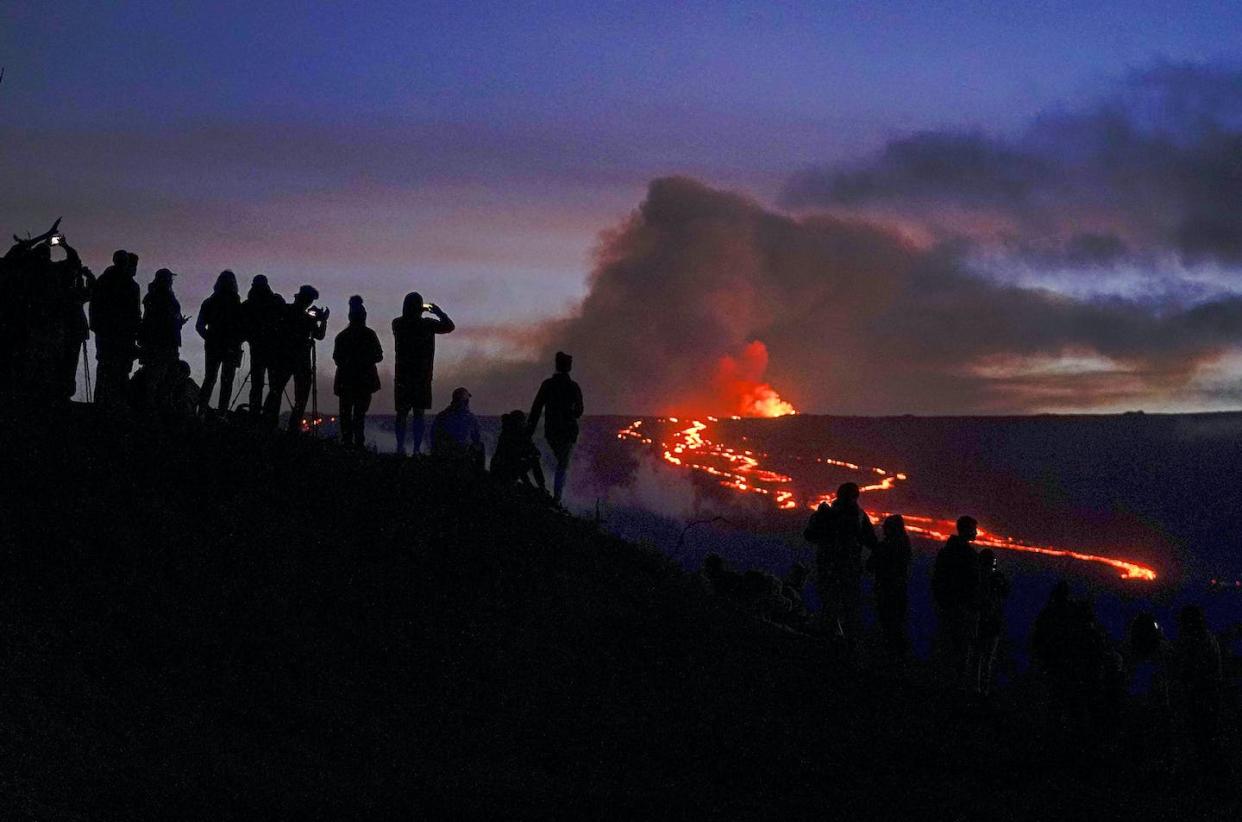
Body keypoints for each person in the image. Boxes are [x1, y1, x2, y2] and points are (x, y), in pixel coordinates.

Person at [804, 483, 876, 645]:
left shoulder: (829, 513)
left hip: (830, 566)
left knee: (830, 602)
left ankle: (830, 638)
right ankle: (844, 643)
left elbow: (809, 535)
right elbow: (871, 541)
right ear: (855, 497)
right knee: (846, 606)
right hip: (846, 568)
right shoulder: (858, 516)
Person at [392, 292, 454, 455]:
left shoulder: (398, 323)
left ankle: (400, 448)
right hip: (422, 377)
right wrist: (439, 313)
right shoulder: (427, 324)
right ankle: (416, 449)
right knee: (418, 415)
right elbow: (449, 326)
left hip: (403, 376)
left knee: (402, 414)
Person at [263, 285, 328, 431]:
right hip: (300, 360)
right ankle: (292, 428)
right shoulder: (306, 318)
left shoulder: (285, 311)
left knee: (276, 391)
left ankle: (269, 424)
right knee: (300, 396)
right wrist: (322, 320)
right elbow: (319, 336)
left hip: (283, 358)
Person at [528, 351, 584, 504]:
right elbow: (579, 410)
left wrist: (529, 432)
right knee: (562, 464)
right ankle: (557, 498)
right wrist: (569, 413)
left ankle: (546, 490)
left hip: (551, 431)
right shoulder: (573, 387)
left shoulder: (548, 385)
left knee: (554, 461)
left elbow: (536, 408)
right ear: (569, 367)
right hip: (568, 432)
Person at [932, 515, 980, 688]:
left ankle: (943, 684)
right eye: (974, 529)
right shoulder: (969, 556)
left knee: (946, 646)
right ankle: (957, 688)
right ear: (967, 530)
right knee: (960, 649)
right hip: (961, 608)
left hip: (947, 605)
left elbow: (937, 579)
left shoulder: (947, 551)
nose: (976, 533)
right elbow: (974, 583)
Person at [90, 250, 141, 407]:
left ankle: (107, 403)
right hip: (115, 335)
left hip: (112, 334)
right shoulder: (128, 286)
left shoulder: (104, 281)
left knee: (110, 369)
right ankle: (111, 404)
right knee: (114, 369)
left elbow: (94, 306)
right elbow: (134, 313)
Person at [332, 295, 383, 448]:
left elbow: (337, 358)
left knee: (346, 414)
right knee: (359, 415)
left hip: (346, 381)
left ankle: (347, 443)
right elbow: (379, 356)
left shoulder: (342, 336)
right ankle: (358, 444)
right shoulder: (369, 335)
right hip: (364, 381)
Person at [1175, 605, 1224, 766]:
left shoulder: (1197, 643)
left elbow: (1190, 671)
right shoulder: (1208, 639)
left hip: (1201, 696)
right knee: (1206, 737)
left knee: (1201, 737)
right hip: (1208, 695)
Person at [137, 268, 188, 409]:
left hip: (159, 342)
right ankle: (156, 406)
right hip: (164, 342)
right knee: (162, 375)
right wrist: (177, 324)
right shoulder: (163, 298)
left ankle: (155, 405)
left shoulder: (152, 297)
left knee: (159, 374)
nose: (171, 281)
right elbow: (165, 321)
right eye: (169, 279)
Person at [195, 270, 245, 414]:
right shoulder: (237, 304)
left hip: (213, 347)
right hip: (230, 348)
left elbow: (199, 326)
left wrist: (210, 339)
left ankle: (201, 412)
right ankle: (221, 413)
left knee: (210, 379)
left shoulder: (209, 302)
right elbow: (242, 328)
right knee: (226, 382)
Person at [240, 275, 285, 418]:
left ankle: (255, 415)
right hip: (273, 350)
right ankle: (269, 416)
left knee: (257, 384)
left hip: (258, 349)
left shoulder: (248, 305)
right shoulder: (276, 301)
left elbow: (243, 326)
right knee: (274, 386)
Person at [868, 514, 913, 654]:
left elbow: (870, 565)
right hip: (899, 590)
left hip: (885, 590)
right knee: (897, 625)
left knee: (886, 624)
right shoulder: (905, 546)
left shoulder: (885, 546)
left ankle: (887, 656)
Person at [974, 548, 1010, 696]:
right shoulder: (994, 578)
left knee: (978, 657)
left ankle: (976, 688)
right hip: (989, 623)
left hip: (982, 622)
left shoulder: (978, 577)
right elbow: (1005, 592)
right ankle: (982, 690)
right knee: (986, 658)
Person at [490, 409, 546, 491]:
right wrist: (528, 483)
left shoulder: (507, 432)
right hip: (504, 473)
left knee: (531, 458)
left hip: (498, 471)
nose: (524, 424)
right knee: (533, 460)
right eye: (523, 421)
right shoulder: (514, 435)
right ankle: (542, 487)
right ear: (519, 422)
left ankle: (539, 486)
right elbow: (516, 460)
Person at [430, 386, 483, 468]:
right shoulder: (471, 418)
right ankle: (479, 475)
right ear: (466, 402)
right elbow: (477, 439)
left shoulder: (441, 416)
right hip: (460, 456)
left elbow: (433, 437)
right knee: (481, 446)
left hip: (443, 454)